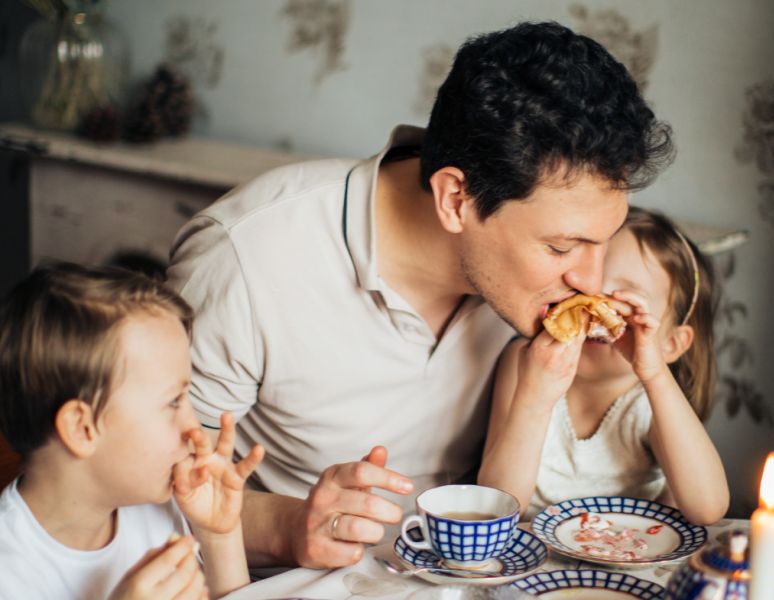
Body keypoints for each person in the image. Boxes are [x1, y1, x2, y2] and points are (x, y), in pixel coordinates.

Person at [167, 21, 675, 568]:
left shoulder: (532, 290)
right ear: (455, 198)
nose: (590, 281)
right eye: (559, 248)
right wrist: (288, 526)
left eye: (602, 243)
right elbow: (139, 489)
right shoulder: (247, 256)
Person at [0, 263, 264, 599]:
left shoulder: (154, 509)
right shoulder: (9, 574)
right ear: (82, 428)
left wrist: (219, 537)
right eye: (173, 402)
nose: (195, 429)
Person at [477, 207, 730, 525]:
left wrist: (654, 374)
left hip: (626, 557)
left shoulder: (648, 402)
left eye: (625, 300)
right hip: (535, 557)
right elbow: (495, 506)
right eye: (588, 290)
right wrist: (535, 397)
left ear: (671, 344)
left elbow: (708, 508)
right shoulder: (524, 364)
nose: (597, 309)